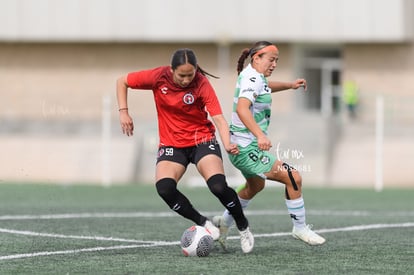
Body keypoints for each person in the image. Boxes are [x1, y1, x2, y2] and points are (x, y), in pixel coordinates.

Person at [116, 48, 254, 253]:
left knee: (217, 186)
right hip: (172, 145)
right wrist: (124, 112)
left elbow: (218, 118)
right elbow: (122, 81)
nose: (186, 80)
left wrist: (226, 143)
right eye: (182, 75)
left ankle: (243, 227)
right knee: (164, 189)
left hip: (202, 141)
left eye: (190, 75)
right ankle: (204, 222)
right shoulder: (158, 77)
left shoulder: (201, 83)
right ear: (172, 70)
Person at [213, 41, 326, 249]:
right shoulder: (252, 77)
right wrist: (259, 135)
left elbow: (265, 87)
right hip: (246, 149)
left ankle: (223, 224)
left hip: (244, 147)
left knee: (256, 186)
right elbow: (242, 109)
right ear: (256, 58)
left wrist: (290, 85)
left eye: (277, 61)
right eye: (271, 59)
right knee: (293, 176)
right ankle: (299, 228)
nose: (274, 64)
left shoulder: (254, 76)